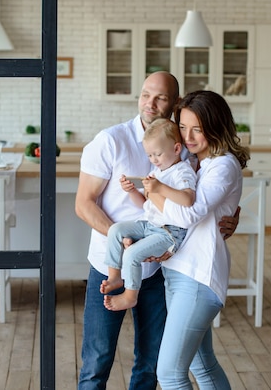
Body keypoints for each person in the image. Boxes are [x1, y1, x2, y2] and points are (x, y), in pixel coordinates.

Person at [75, 71, 240, 390]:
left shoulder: (186, 147)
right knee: (97, 361)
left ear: (175, 103)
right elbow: (83, 204)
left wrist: (232, 213)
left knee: (150, 365)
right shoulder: (111, 141)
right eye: (146, 94)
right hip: (111, 265)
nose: (151, 103)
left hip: (162, 267)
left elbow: (210, 191)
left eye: (161, 97)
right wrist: (122, 240)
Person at [152, 90, 250, 389]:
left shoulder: (222, 165)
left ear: (216, 125)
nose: (189, 136)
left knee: (169, 374)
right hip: (180, 272)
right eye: (183, 127)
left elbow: (187, 215)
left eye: (198, 128)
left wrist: (152, 193)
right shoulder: (196, 161)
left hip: (198, 276)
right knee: (203, 366)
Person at [101, 118, 196, 311]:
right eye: (149, 155)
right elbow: (146, 204)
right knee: (116, 229)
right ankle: (115, 276)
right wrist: (131, 191)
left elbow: (188, 199)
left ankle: (130, 296)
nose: (153, 160)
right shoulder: (157, 171)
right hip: (149, 224)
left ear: (177, 149)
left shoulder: (182, 172)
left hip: (168, 233)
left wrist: (159, 187)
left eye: (157, 154)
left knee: (133, 254)